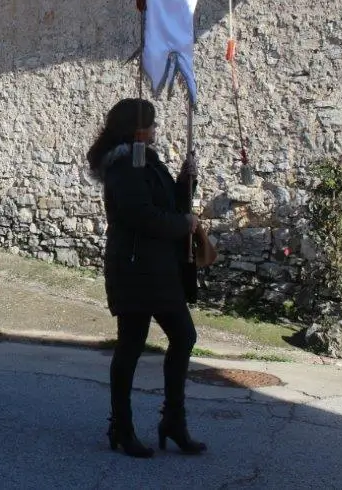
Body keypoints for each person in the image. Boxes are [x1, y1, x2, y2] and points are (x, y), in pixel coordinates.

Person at [86, 98, 206, 458]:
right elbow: (141, 215)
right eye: (151, 124)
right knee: (131, 346)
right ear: (137, 129)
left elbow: (168, 203)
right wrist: (183, 225)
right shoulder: (125, 164)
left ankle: (173, 421)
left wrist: (186, 181)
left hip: (159, 268)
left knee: (184, 336)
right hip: (135, 269)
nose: (156, 129)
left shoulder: (146, 159)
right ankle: (122, 427)